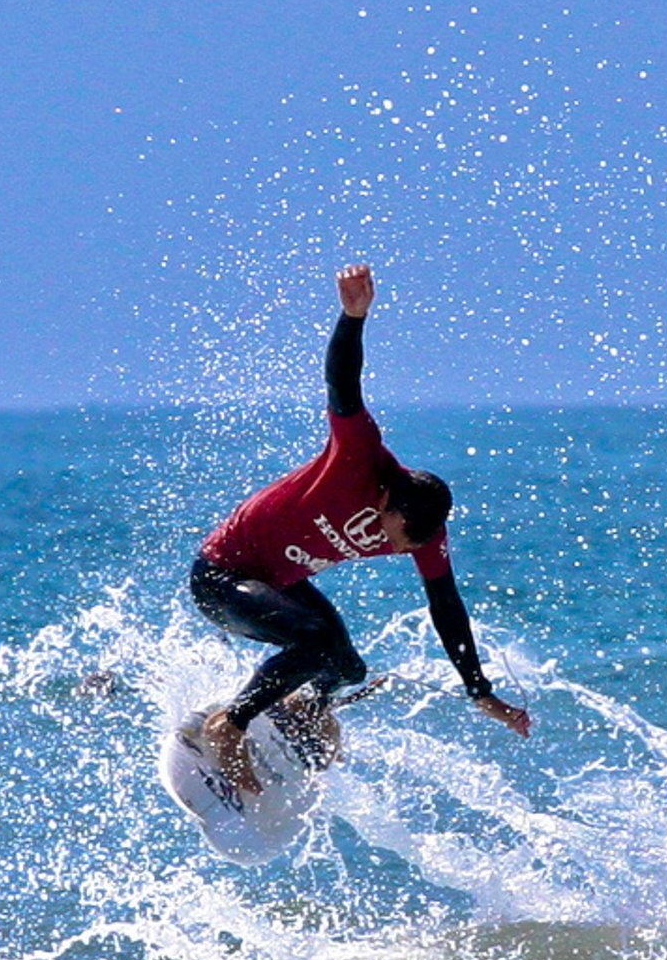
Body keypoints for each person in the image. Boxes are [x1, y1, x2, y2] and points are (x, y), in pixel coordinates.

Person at [189, 263, 531, 792]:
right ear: (388, 498)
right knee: (315, 640)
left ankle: (301, 710)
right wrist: (353, 317)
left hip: (276, 585)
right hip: (222, 577)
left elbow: (446, 606)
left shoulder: (424, 530)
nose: (395, 548)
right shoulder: (358, 456)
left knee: (346, 670)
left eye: (408, 546)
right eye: (397, 536)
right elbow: (343, 382)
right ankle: (228, 727)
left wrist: (478, 689)